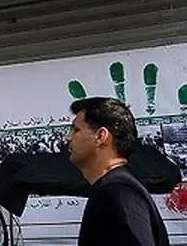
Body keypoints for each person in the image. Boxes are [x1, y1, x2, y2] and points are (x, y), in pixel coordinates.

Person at [67, 97, 171, 246]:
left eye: (76, 130)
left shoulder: (118, 193)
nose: (68, 137)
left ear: (100, 136)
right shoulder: (114, 189)